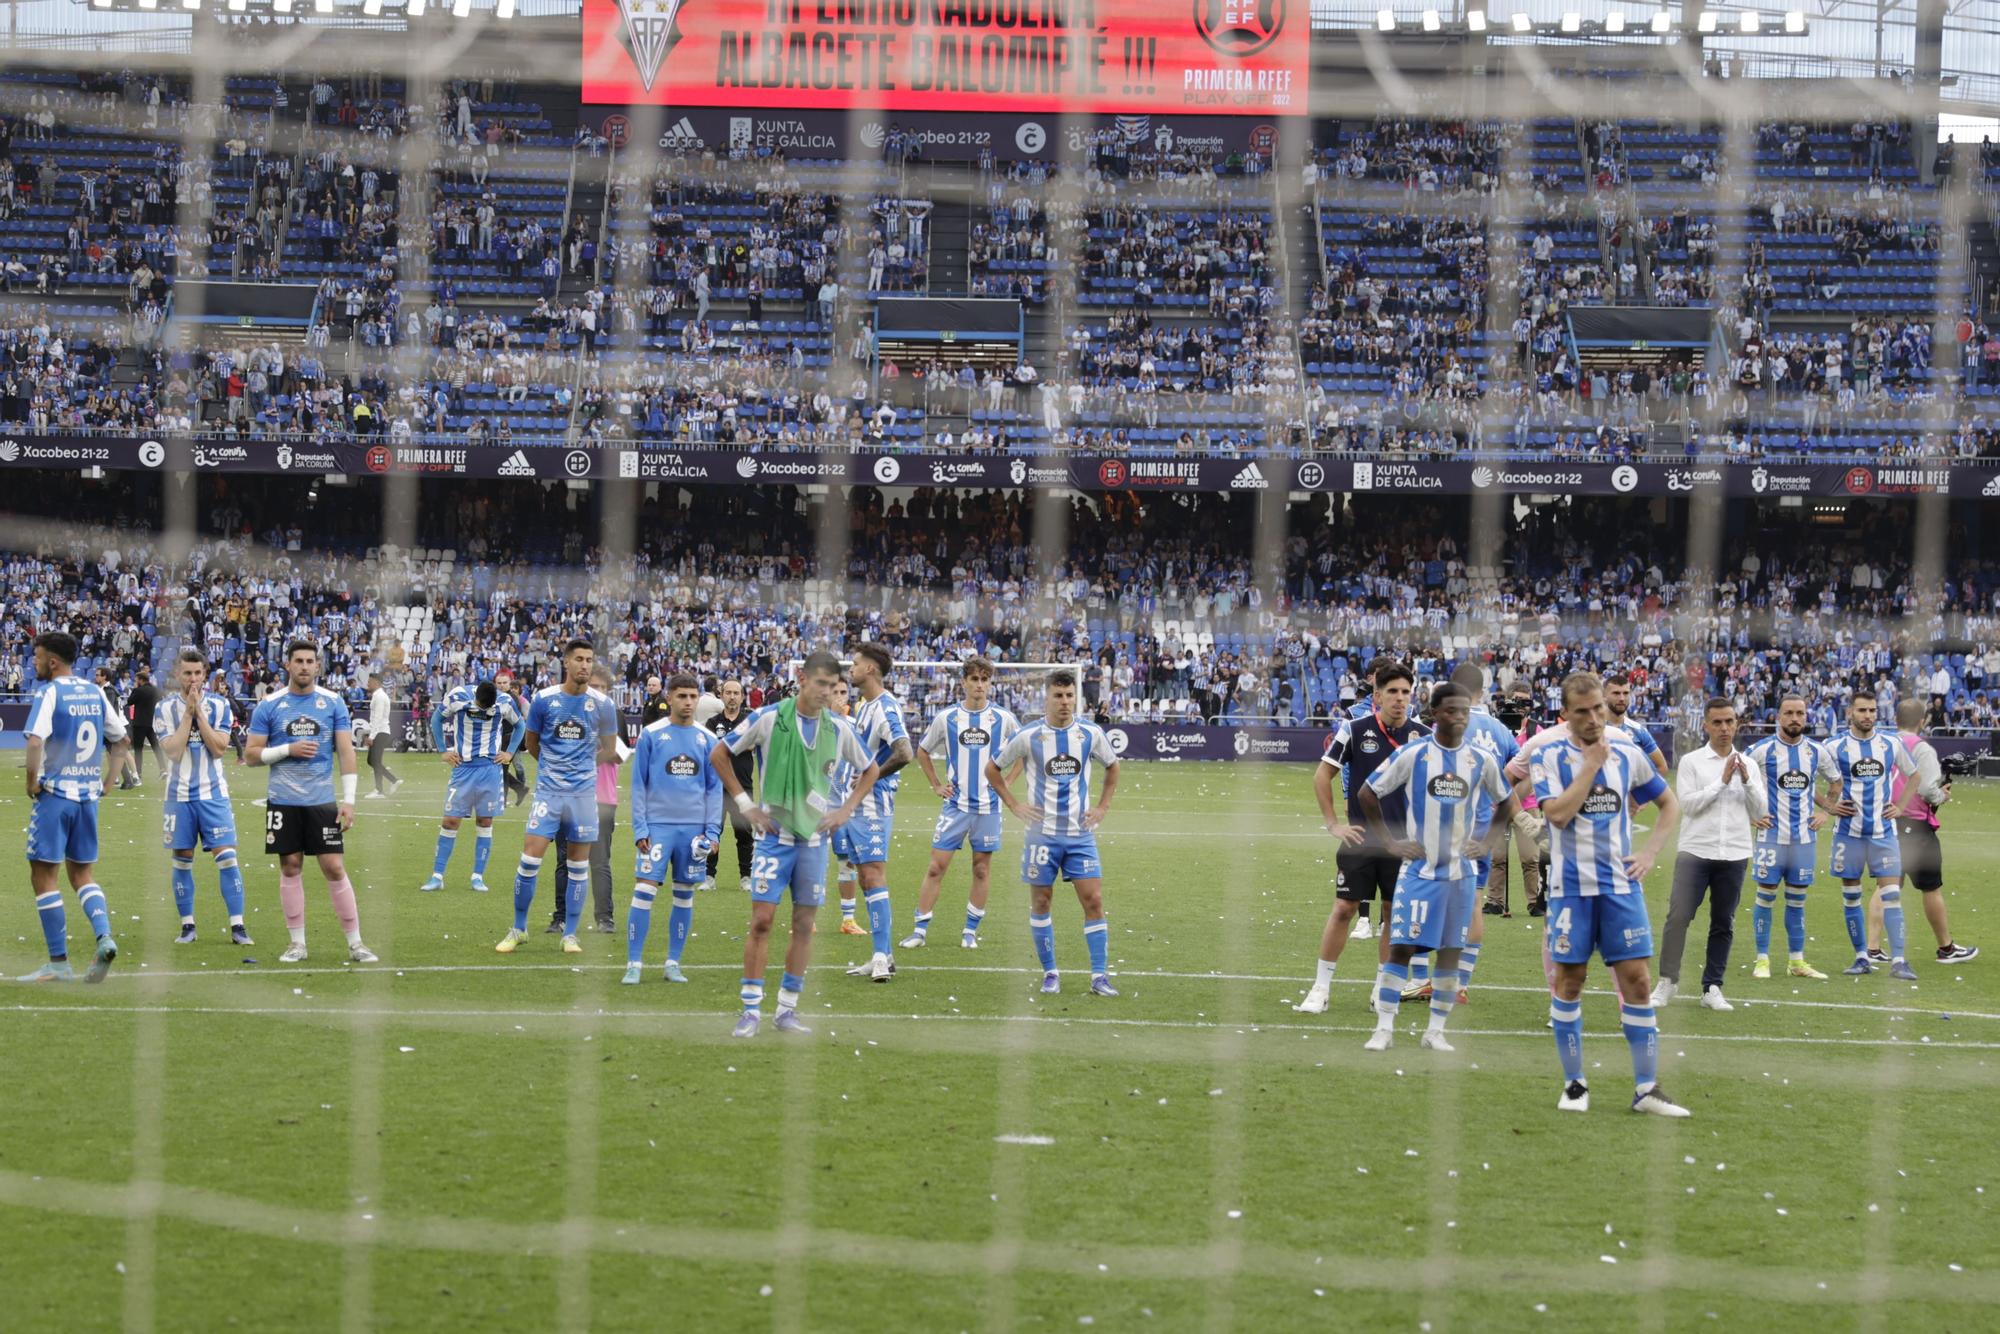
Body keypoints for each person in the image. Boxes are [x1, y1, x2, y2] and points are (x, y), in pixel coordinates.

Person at [1533, 671, 1686, 1117]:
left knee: (1637, 981)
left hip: (1621, 888)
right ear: (1565, 714)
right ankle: (1575, 1085)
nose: (1594, 718)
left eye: (1598, 708)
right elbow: (1557, 815)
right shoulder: (1549, 755)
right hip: (1570, 890)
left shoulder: (1627, 750)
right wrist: (1592, 765)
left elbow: (1668, 803)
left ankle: (1647, 1089)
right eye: (1582, 711)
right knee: (1570, 981)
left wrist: (1651, 852)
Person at [711, 651, 879, 1037]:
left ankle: (787, 1009)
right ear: (802, 678)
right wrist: (745, 804)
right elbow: (719, 753)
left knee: (804, 924)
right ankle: (751, 1009)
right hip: (774, 839)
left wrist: (846, 810)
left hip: (814, 842)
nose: (825, 692)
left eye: (833, 687)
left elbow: (869, 768)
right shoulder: (769, 717)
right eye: (820, 684)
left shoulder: (838, 728)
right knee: (762, 921)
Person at [1354, 683, 1516, 1052]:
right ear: (1435, 713)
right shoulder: (1415, 754)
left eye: (1463, 711)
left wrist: (1488, 841)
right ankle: (1383, 1029)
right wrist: (1391, 842)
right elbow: (1368, 792)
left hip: (1460, 876)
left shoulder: (1481, 760)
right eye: (1450, 711)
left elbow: (1508, 801)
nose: (1458, 718)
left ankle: (1435, 1032)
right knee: (1402, 948)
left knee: (1450, 954)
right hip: (1419, 873)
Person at [1298, 662, 1428, 1014]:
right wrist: (1333, 825)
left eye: (1405, 692)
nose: (1400, 699)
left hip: (1404, 845)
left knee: (1390, 914)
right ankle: (1320, 988)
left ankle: (1382, 989)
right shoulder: (1354, 730)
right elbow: (1322, 776)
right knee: (1344, 908)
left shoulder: (1424, 735)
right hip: (1361, 839)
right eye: (1392, 692)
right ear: (1377, 696)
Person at [987, 668, 1122, 997]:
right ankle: (1050, 973)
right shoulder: (1029, 736)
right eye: (1058, 696)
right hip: (1041, 837)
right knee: (1041, 903)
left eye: (1069, 696)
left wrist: (1102, 807)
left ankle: (1099, 977)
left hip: (1080, 835)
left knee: (1094, 901)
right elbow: (993, 768)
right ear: (1046, 698)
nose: (1064, 702)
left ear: (1076, 698)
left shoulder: (1090, 734)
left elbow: (1113, 766)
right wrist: (1014, 805)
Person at [246, 640, 375, 964]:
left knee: (334, 866)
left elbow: (346, 752)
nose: (304, 666)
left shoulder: (332, 703)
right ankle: (297, 944)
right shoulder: (270, 705)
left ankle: (356, 943)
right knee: (290, 866)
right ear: (287, 665)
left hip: (322, 803)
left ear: (318, 666)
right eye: (298, 661)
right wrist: (287, 750)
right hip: (283, 802)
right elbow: (250, 755)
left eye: (310, 661)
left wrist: (349, 801)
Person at [494, 641, 619, 957]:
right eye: (579, 659)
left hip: (583, 797)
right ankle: (519, 928)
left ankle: (571, 935)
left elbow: (609, 748)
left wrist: (581, 765)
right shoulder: (544, 700)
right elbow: (532, 743)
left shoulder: (603, 704)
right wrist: (555, 766)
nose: (585, 666)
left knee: (578, 865)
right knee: (530, 859)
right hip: (549, 794)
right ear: (566, 662)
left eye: (590, 660)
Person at [20, 631, 127, 982]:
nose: (33, 663)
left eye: (37, 658)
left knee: (43, 876)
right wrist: (109, 782)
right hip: (87, 799)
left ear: (52, 662)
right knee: (82, 875)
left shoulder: (50, 692)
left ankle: (58, 963)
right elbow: (122, 740)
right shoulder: (95, 692)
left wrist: (31, 781)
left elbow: (36, 740)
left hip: (56, 796)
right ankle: (104, 937)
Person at [1407, 660, 1515, 1003]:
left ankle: (1423, 978)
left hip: (1441, 827)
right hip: (1481, 831)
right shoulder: (1500, 730)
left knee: (1423, 902)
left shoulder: (1448, 720)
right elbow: (1515, 774)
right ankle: (1461, 983)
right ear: (1484, 688)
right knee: (1474, 905)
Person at [1653, 698, 1766, 1013]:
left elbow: (1760, 811)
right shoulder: (1692, 762)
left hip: (1735, 852)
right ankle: (1667, 981)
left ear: (1737, 724)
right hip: (1695, 852)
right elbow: (1688, 805)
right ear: (1705, 725)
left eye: (1729, 721)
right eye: (1717, 722)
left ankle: (1712, 987)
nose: (1724, 728)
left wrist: (1744, 780)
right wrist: (1722, 781)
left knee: (1723, 922)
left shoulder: (1749, 765)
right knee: (1678, 918)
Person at [903, 656, 1020, 951]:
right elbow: (923, 750)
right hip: (956, 806)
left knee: (981, 870)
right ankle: (919, 930)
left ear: (990, 683)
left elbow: (1024, 750)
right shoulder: (948, 718)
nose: (979, 685)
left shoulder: (1003, 719)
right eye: (974, 679)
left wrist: (1006, 786)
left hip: (988, 808)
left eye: (985, 679)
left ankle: (970, 930)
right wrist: (936, 784)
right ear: (964, 682)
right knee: (935, 867)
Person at [624, 673, 722, 985]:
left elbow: (714, 789)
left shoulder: (708, 739)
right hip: (657, 829)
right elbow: (638, 783)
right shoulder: (652, 734)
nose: (689, 702)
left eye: (693, 696)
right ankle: (634, 964)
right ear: (670, 697)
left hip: (692, 833)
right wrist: (640, 827)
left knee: (684, 896)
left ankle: (672, 963)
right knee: (644, 892)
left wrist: (712, 832)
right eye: (682, 696)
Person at [156, 649, 250, 945]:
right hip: (178, 796)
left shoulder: (221, 705)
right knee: (182, 860)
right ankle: (187, 926)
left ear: (205, 674)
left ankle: (238, 926)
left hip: (213, 795)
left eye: (198, 673)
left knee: (227, 859)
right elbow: (173, 751)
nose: (193, 679)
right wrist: (188, 713)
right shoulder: (164, 709)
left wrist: (201, 715)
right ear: (177, 675)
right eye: (187, 673)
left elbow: (220, 748)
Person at [1823, 695, 1918, 979]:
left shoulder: (1890, 743)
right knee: (1851, 897)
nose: (1868, 715)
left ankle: (1900, 961)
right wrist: (1828, 805)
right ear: (1850, 712)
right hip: (1848, 836)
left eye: (1872, 710)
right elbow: (1806, 774)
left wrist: (1900, 807)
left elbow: (1914, 775)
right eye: (1862, 710)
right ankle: (1861, 957)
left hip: (1882, 834)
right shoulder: (1833, 746)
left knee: (1892, 895)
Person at [1742, 695, 1836, 981]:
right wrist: (1750, 816)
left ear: (1806, 717)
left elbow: (1836, 782)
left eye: (1800, 713)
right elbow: (1737, 782)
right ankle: (1762, 960)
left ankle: (1796, 961)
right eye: (1789, 713)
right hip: (1771, 837)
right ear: (1778, 717)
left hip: (1804, 840)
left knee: (1797, 901)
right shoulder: (1760, 750)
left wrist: (1826, 812)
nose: (1795, 718)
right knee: (1765, 898)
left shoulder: (1816, 752)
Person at [1884, 697, 1978, 964]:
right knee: (1931, 888)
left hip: (1888, 822)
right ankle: (1946, 948)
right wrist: (1941, 796)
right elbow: (1926, 789)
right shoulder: (1921, 747)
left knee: (1888, 886)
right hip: (1915, 823)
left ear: (1896, 719)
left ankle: (1872, 948)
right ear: (1923, 721)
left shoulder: (1885, 743)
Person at [842, 644, 915, 983]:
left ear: (870, 669)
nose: (851, 668)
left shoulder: (885, 708)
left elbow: (904, 752)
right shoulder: (865, 705)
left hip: (873, 804)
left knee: (873, 874)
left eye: (856, 664)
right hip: (858, 803)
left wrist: (873, 776)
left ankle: (880, 957)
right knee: (864, 877)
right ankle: (883, 954)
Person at [421, 678, 524, 893]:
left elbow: (520, 724)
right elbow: (436, 719)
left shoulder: (504, 701)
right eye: (481, 707)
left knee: (485, 822)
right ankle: (437, 876)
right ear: (476, 698)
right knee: (450, 821)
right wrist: (443, 750)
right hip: (463, 768)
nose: (485, 710)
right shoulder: (458, 696)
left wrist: (510, 752)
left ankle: (478, 877)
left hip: (490, 769)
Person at [704, 678, 757, 892]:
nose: (732, 696)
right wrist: (738, 744)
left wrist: (726, 745)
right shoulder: (712, 722)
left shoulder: (750, 721)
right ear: (721, 695)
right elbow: (709, 750)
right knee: (712, 832)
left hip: (742, 787)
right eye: (728, 692)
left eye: (736, 693)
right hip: (716, 787)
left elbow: (753, 743)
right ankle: (708, 877)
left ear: (742, 696)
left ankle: (746, 877)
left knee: (743, 833)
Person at [1603, 671, 1670, 774]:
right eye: (1616, 693)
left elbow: (1662, 767)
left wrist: (1638, 787)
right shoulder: (1593, 728)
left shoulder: (1638, 730)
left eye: (1625, 693)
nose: (1621, 698)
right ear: (1604, 696)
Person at [363, 672, 401, 797]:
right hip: (380, 731)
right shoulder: (378, 695)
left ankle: (380, 790)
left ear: (377, 682)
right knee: (373, 761)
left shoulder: (379, 697)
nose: (368, 683)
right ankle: (392, 781)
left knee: (374, 760)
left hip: (380, 731)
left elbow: (378, 718)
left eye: (370, 681)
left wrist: (371, 736)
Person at [126, 665, 162, 782]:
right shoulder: (155, 690)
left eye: (136, 680)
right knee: (156, 747)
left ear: (141, 680)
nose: (135, 682)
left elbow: (129, 701)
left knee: (138, 749)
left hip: (139, 723)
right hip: (152, 723)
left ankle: (138, 773)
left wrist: (135, 689)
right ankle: (163, 769)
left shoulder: (138, 690)